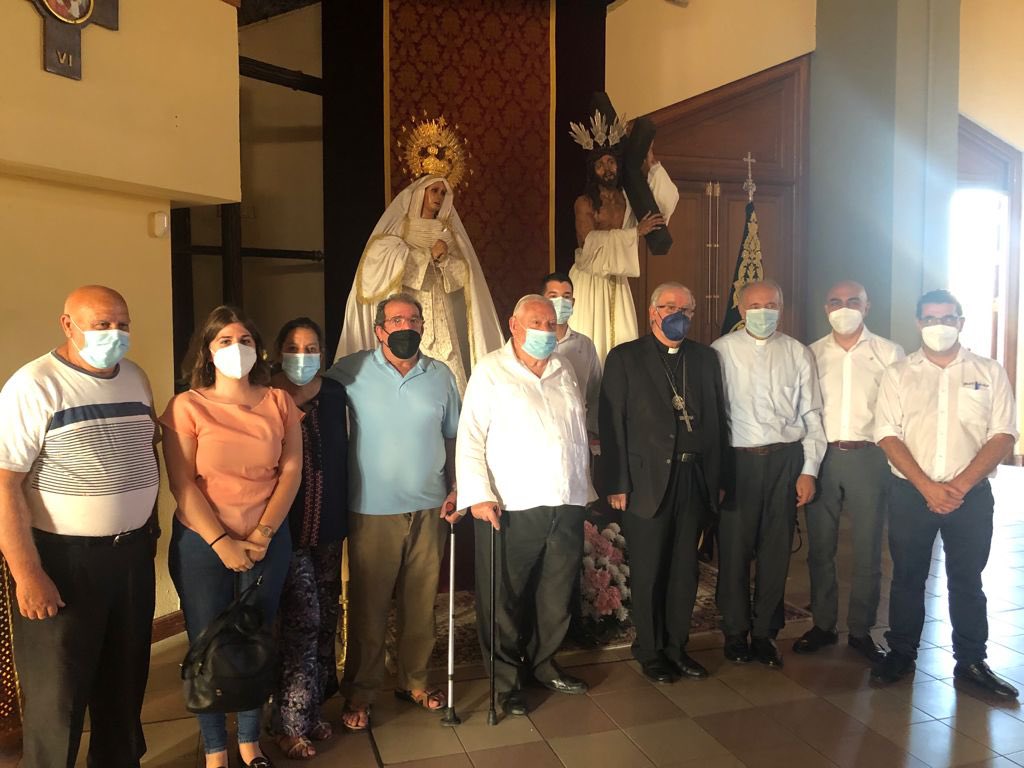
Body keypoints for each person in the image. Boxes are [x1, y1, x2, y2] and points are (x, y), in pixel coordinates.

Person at [0, 285, 159, 768]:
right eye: (101, 324)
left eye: (122, 324)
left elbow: (142, 451)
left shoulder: (136, 377)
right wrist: (27, 574)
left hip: (131, 557)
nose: (114, 334)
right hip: (62, 561)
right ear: (67, 325)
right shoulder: (34, 385)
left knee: (124, 683)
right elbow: (5, 485)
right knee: (59, 696)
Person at [161, 305, 302, 768]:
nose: (236, 349)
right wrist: (222, 543)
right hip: (203, 543)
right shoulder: (187, 406)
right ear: (207, 351)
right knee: (207, 643)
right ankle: (215, 750)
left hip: (268, 540)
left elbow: (291, 471)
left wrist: (262, 535)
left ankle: (249, 742)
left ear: (258, 349)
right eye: (224, 341)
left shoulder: (278, 401)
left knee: (254, 638)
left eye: (244, 340)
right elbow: (182, 483)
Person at [872, 289, 1018, 697]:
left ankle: (971, 660)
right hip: (910, 494)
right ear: (918, 323)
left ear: (961, 322)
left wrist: (958, 487)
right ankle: (901, 653)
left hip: (970, 497)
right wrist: (927, 487)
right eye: (931, 318)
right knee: (907, 577)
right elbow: (887, 434)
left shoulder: (989, 371)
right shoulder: (898, 373)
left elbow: (1003, 434)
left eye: (948, 318)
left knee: (967, 580)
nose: (940, 325)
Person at [326, 293, 462, 731]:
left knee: (420, 602)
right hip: (372, 509)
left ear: (423, 326)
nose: (406, 326)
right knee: (368, 606)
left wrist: (457, 486)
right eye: (397, 320)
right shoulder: (351, 370)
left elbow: (453, 436)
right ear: (379, 330)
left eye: (414, 319)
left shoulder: (440, 375)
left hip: (430, 505)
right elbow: (309, 395)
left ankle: (414, 681)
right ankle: (361, 692)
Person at [457, 295, 594, 717]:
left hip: (566, 501)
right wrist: (478, 494)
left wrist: (583, 490)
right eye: (537, 322)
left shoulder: (563, 368)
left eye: (551, 324)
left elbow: (575, 432)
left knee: (555, 594)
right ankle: (506, 683)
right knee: (504, 599)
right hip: (510, 505)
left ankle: (544, 664)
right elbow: (471, 435)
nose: (546, 331)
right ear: (514, 325)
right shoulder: (490, 371)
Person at [599, 282, 729, 684]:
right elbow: (612, 423)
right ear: (652, 312)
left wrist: (719, 478)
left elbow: (717, 421)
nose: (678, 315)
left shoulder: (705, 359)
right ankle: (651, 651)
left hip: (694, 478)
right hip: (646, 481)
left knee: (685, 571)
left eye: (686, 309)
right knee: (650, 569)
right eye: (670, 307)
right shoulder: (625, 357)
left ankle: (677, 648)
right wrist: (617, 483)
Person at [711, 279, 826, 667]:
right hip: (738, 463)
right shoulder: (721, 351)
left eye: (771, 305)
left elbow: (812, 415)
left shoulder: (797, 352)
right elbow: (714, 418)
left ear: (782, 308)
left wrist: (809, 470)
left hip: (784, 461)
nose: (763, 312)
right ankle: (734, 631)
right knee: (734, 551)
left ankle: (764, 633)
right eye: (755, 306)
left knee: (776, 552)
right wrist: (717, 475)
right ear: (742, 311)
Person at [794, 281, 904, 662]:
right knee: (820, 548)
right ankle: (823, 624)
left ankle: (861, 629)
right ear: (826, 308)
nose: (844, 308)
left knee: (868, 548)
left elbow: (898, 411)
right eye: (836, 301)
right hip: (822, 456)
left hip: (869, 457)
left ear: (867, 306)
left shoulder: (889, 352)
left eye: (853, 301)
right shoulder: (811, 353)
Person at [335, 173, 504, 393]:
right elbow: (385, 263)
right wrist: (427, 256)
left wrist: (444, 261)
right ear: (420, 193)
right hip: (409, 306)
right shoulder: (401, 228)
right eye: (434, 191)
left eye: (443, 193)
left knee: (449, 363)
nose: (438, 197)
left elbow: (463, 274)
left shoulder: (448, 233)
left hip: (441, 310)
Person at [269, 318, 347, 761]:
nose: (303, 356)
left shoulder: (335, 394)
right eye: (294, 347)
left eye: (312, 348)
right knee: (301, 620)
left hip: (330, 527)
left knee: (327, 617)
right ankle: (288, 721)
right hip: (283, 529)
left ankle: (312, 708)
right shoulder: (266, 394)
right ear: (278, 351)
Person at [568, 114, 679, 362]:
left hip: (618, 281)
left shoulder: (629, 199)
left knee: (622, 342)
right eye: (600, 164)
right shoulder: (585, 203)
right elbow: (589, 243)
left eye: (611, 162)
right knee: (590, 344)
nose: (607, 169)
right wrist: (634, 233)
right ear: (592, 170)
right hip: (590, 280)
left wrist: (650, 160)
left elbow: (664, 202)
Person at [542, 271, 602, 438]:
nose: (561, 302)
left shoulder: (585, 345)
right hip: (540, 432)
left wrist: (591, 429)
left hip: (575, 432)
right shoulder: (533, 344)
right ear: (542, 300)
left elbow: (596, 392)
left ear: (573, 302)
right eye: (553, 296)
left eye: (566, 297)